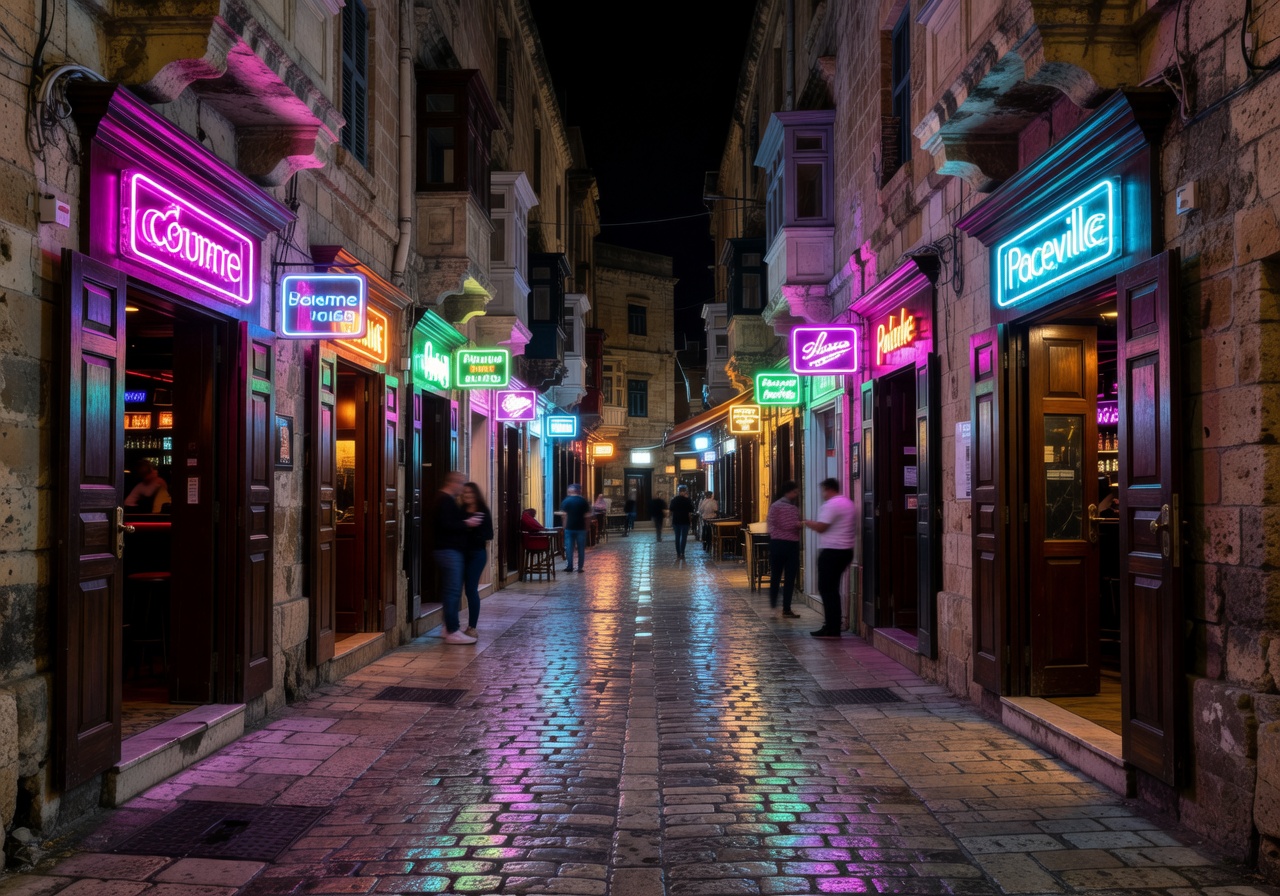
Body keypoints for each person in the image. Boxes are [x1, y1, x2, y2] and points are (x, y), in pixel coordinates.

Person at [803, 477, 856, 638]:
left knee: (827, 589)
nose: (823, 494)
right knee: (832, 590)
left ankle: (832, 627)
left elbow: (821, 527)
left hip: (832, 552)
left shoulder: (832, 504)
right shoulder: (848, 503)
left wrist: (807, 522)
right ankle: (833, 626)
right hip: (846, 550)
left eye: (824, 490)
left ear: (828, 489)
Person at [432, 471, 476, 644]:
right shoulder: (445, 500)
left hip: (446, 550)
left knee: (450, 590)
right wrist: (467, 523)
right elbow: (447, 525)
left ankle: (447, 627)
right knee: (453, 591)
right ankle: (452, 630)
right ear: (454, 482)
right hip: (448, 551)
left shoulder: (444, 499)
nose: (463, 487)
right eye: (461, 483)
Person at [460, 482, 494, 638]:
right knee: (455, 589)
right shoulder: (461, 511)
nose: (468, 496)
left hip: (477, 554)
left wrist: (473, 529)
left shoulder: (483, 511)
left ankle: (472, 627)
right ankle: (451, 626)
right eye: (465, 493)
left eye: (470, 493)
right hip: (461, 554)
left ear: (476, 494)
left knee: (471, 589)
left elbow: (489, 535)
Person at [766, 480, 802, 617]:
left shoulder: (774, 506)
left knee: (776, 576)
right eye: (795, 492)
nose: (796, 494)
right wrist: (798, 524)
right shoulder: (790, 508)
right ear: (788, 492)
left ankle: (775, 607)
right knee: (789, 577)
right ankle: (785, 608)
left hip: (777, 543)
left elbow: (771, 524)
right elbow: (791, 525)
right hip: (789, 544)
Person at [561, 484, 591, 572]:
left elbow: (564, 515)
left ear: (571, 491)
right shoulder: (583, 501)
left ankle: (569, 566)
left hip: (569, 528)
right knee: (581, 548)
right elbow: (587, 516)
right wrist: (587, 527)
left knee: (569, 548)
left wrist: (564, 527)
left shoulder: (566, 501)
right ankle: (580, 567)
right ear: (579, 491)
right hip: (581, 528)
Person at [668, 484, 694, 560]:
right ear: (685, 491)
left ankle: (678, 553)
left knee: (677, 537)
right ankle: (682, 552)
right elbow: (691, 509)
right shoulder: (688, 500)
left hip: (676, 520)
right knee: (684, 537)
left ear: (678, 491)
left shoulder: (674, 500)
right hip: (685, 520)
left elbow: (671, 509)